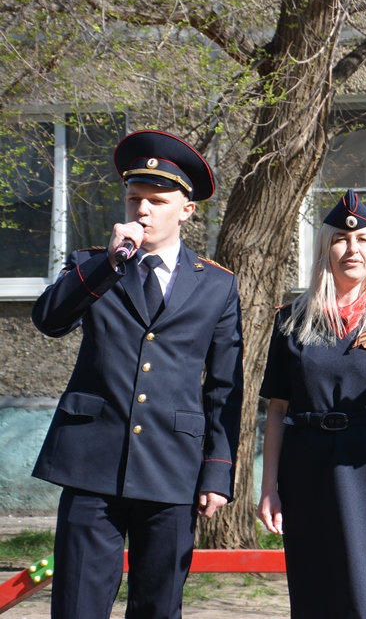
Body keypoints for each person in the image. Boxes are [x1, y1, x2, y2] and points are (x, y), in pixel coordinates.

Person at [31, 129, 243, 619]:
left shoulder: (216, 284)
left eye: (156, 200)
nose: (142, 210)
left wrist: (217, 470)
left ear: (186, 210)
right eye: (134, 198)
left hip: (172, 469)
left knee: (158, 607)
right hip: (91, 464)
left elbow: (224, 387)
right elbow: (50, 321)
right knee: (77, 606)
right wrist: (108, 263)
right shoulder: (93, 265)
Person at [258, 189, 366, 618]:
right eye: (341, 240)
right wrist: (269, 488)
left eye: (364, 240)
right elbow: (277, 410)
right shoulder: (291, 320)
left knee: (363, 594)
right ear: (325, 248)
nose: (352, 249)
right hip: (305, 469)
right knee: (313, 595)